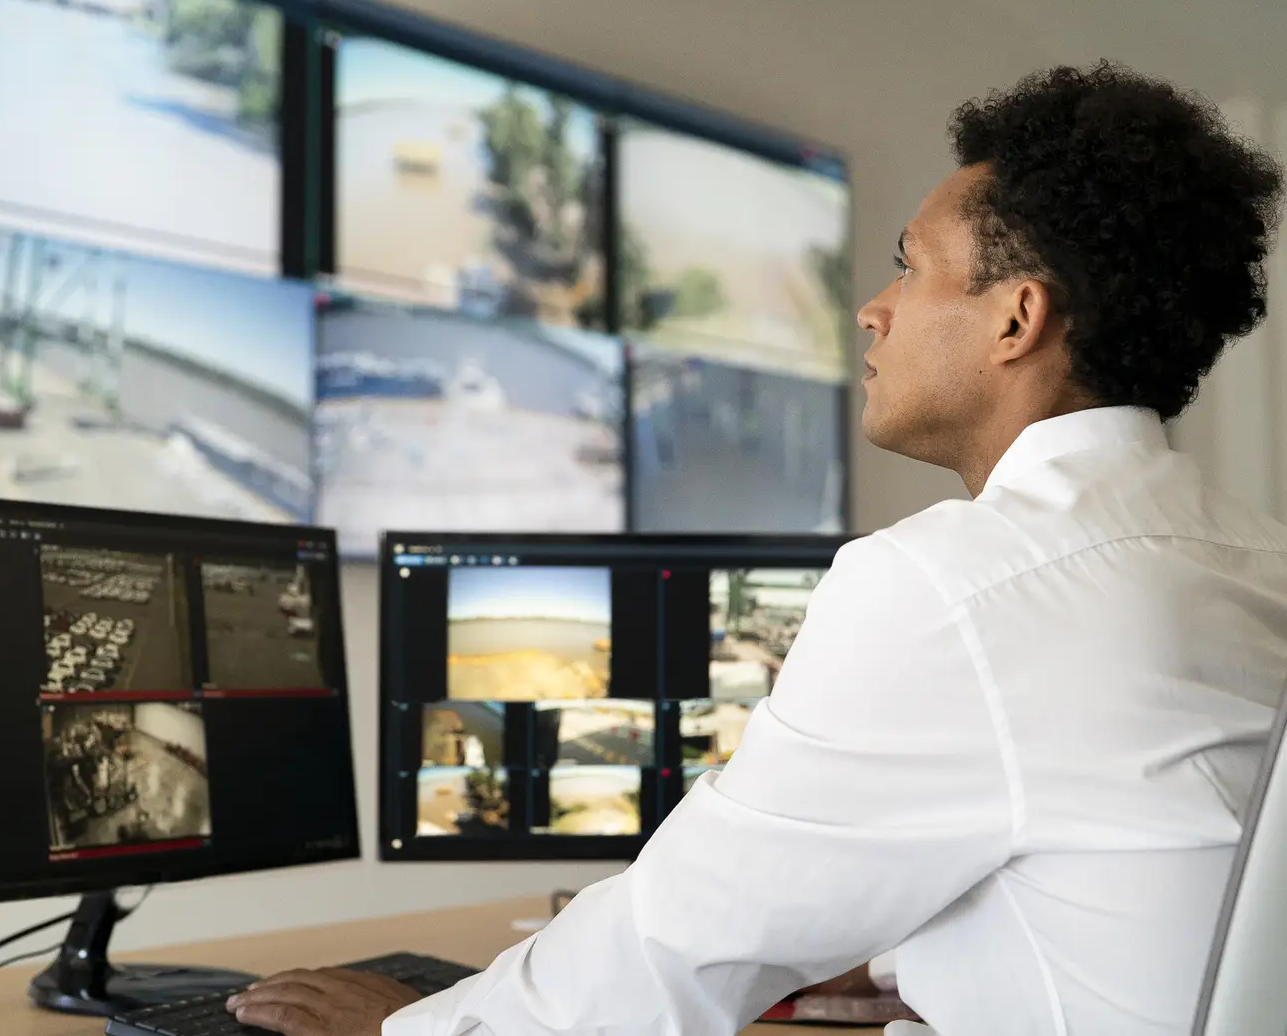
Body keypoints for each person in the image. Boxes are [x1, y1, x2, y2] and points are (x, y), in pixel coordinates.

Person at [226, 62, 1287, 1036]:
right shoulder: (1251, 555)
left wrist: (403, 1031)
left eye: (908, 270)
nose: (873, 312)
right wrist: (926, 960)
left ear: (1017, 319)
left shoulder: (956, 584)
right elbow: (1139, 877)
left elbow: (677, 944)